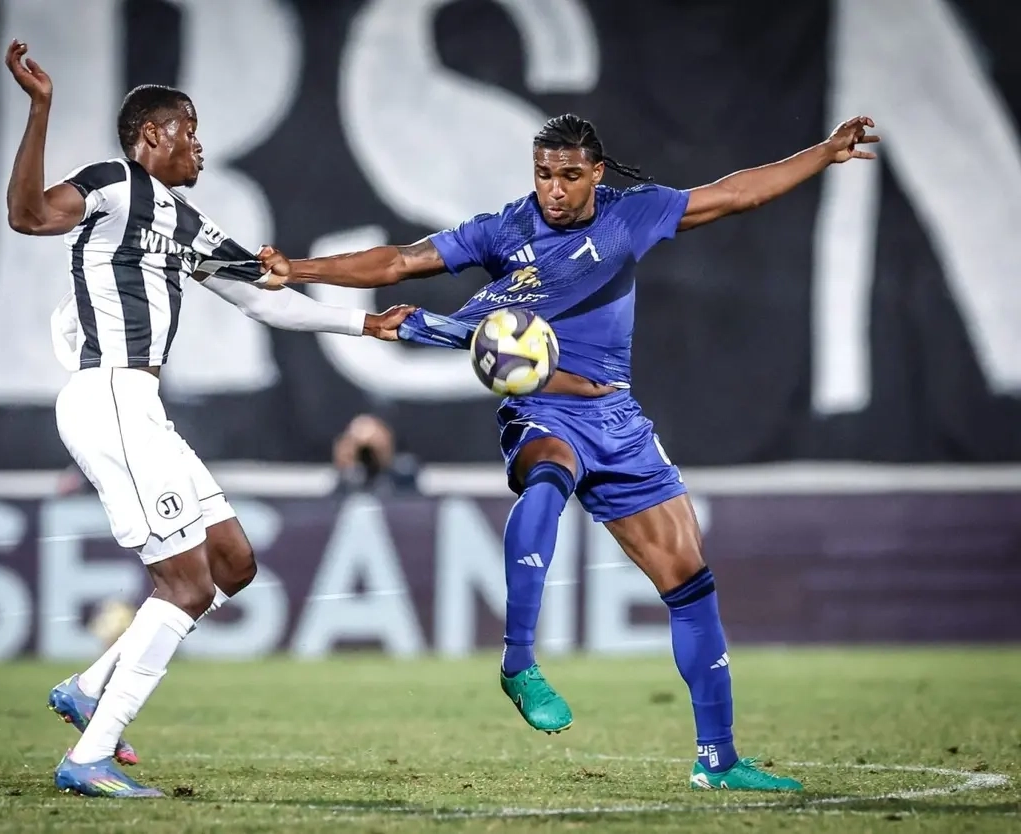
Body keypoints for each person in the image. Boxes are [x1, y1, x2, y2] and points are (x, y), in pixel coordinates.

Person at [257, 112, 880, 792]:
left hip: (617, 418)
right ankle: (519, 662)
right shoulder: (506, 229)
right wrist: (299, 270)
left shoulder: (630, 216)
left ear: (597, 173)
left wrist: (824, 153)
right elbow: (402, 260)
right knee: (549, 473)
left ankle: (719, 761)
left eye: (569, 176)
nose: (554, 190)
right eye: (543, 175)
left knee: (691, 584)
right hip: (541, 408)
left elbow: (734, 194)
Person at [3, 40, 410, 798]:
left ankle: (89, 687)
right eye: (188, 129)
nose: (199, 144)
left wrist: (365, 324)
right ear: (151, 134)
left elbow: (267, 300)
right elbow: (28, 215)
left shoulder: (185, 223)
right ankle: (90, 755)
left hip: (139, 408)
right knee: (185, 585)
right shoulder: (114, 183)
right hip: (109, 396)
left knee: (230, 563)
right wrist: (41, 109)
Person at [332, 413, 420, 495]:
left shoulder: (403, 478)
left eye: (371, 452)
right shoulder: (341, 483)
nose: (367, 457)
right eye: (362, 451)